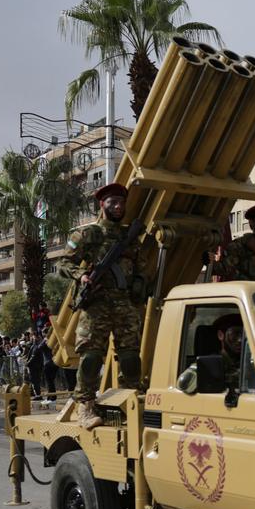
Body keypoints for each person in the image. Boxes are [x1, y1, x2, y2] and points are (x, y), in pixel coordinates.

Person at [62, 182, 149, 430]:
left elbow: (142, 268)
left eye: (121, 202)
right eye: (112, 202)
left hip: (124, 303)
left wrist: (139, 285)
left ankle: (132, 398)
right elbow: (64, 264)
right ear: (102, 205)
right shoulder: (88, 235)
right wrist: (82, 276)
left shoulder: (130, 237)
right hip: (97, 303)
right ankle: (85, 406)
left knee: (131, 355)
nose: (118, 206)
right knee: (91, 357)